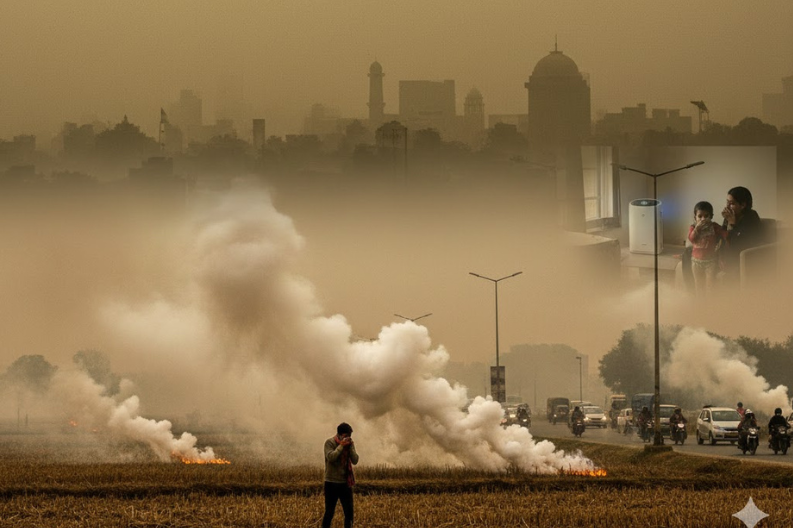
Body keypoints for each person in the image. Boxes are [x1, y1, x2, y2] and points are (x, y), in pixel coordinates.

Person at [721, 186, 763, 278]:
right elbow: (721, 237)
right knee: (690, 252)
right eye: (727, 202)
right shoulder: (729, 216)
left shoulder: (751, 216)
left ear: (742, 205)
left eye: (731, 203)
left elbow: (740, 244)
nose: (727, 206)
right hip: (727, 254)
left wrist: (733, 225)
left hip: (743, 256)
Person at [323, 422, 359, 528]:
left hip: (345, 483)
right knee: (329, 512)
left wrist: (351, 447)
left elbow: (355, 460)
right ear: (340, 434)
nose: (348, 438)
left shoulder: (349, 445)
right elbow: (331, 457)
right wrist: (341, 446)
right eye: (346, 436)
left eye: (349, 436)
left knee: (349, 513)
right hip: (331, 482)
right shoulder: (329, 443)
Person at [688, 201, 727, 295]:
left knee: (709, 286)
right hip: (696, 261)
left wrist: (727, 221)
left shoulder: (714, 227)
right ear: (695, 217)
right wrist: (697, 229)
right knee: (698, 285)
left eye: (706, 216)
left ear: (711, 216)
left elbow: (725, 234)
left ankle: (709, 304)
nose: (703, 219)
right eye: (700, 216)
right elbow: (691, 239)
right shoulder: (693, 227)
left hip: (710, 262)